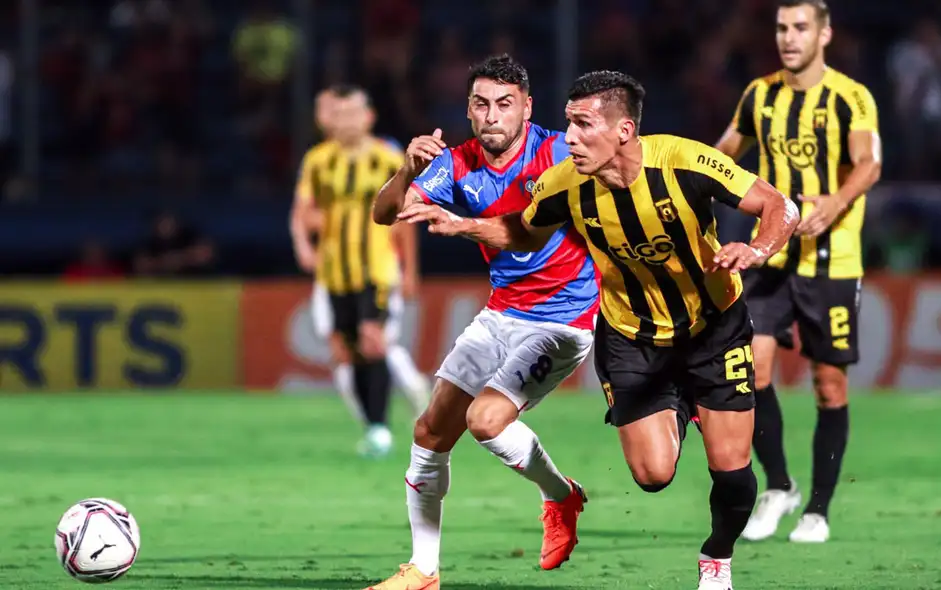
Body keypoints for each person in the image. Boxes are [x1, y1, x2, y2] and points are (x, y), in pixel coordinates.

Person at [400, 70, 798, 590]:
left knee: (732, 474)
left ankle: (716, 558)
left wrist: (757, 248)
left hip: (712, 329)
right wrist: (464, 225)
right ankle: (681, 405)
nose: (569, 137)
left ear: (624, 131)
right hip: (632, 336)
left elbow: (779, 205)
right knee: (653, 476)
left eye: (584, 125)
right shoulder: (563, 183)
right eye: (568, 123)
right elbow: (524, 231)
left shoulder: (684, 161)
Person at [366, 54, 598, 590]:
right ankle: (423, 570)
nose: (492, 115)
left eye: (504, 104)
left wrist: (460, 224)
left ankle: (560, 494)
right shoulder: (457, 162)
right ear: (468, 110)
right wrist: (406, 171)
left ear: (527, 108)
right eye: (481, 104)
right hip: (502, 313)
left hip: (563, 318)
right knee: (429, 432)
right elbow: (384, 214)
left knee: (486, 422)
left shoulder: (559, 153)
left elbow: (525, 232)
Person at [714, 0, 882, 543]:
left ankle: (818, 509)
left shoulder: (851, 97)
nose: (789, 37)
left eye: (801, 27)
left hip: (832, 260)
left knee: (829, 385)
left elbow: (868, 163)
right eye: (782, 27)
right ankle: (780, 485)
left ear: (824, 34)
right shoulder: (759, 95)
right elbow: (724, 153)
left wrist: (834, 202)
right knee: (751, 369)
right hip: (770, 255)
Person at [290, 85, 428, 458]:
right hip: (334, 271)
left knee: (373, 340)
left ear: (369, 118)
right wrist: (305, 244)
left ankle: (380, 426)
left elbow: (404, 218)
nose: (346, 121)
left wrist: (410, 270)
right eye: (340, 114)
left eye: (353, 114)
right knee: (348, 351)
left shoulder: (387, 158)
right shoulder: (319, 160)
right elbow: (304, 210)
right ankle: (373, 425)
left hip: (377, 267)